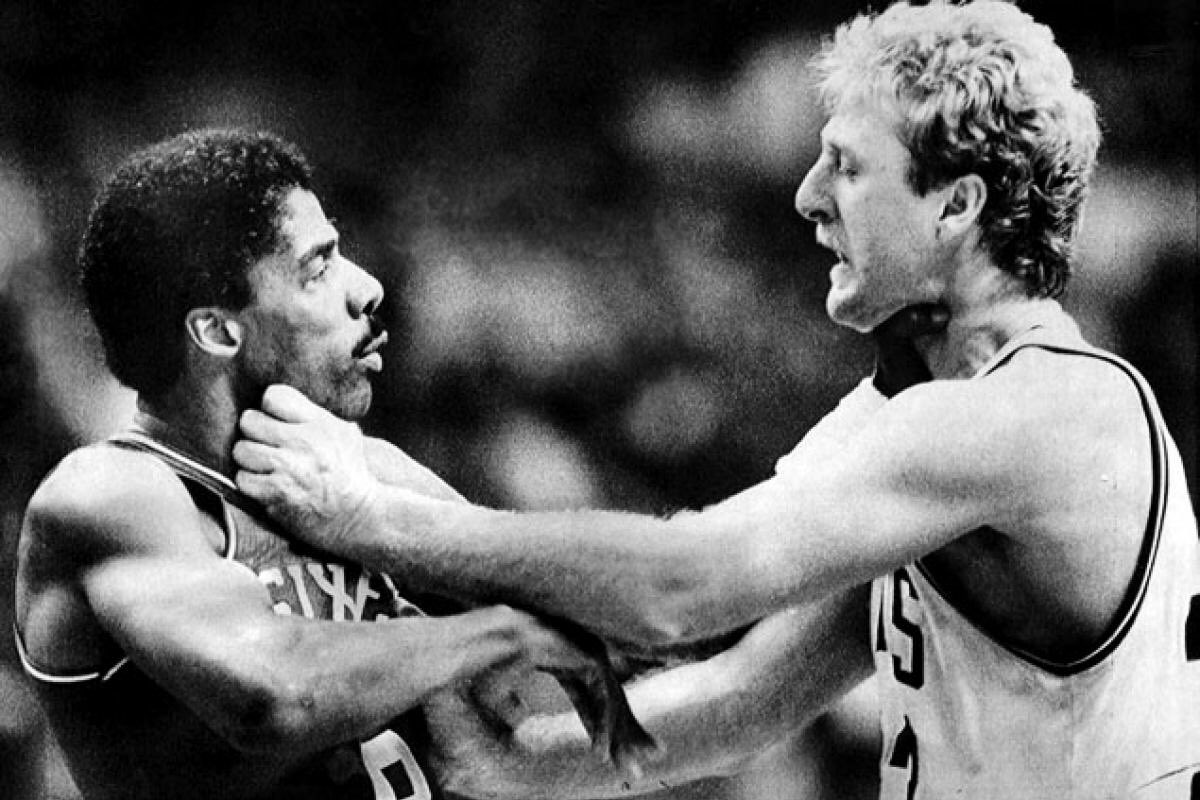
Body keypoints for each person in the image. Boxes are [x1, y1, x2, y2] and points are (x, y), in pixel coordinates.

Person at [233, 2, 1200, 797]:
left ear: (957, 205)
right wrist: (507, 765)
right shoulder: (911, 419)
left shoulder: (1037, 415)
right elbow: (747, 693)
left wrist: (378, 520)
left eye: (848, 166)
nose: (808, 196)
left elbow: (681, 589)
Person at [12, 128, 653, 800]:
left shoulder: (363, 470)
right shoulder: (111, 494)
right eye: (317, 269)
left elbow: (602, 632)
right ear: (217, 330)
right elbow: (272, 694)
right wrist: (496, 634)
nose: (367, 287)